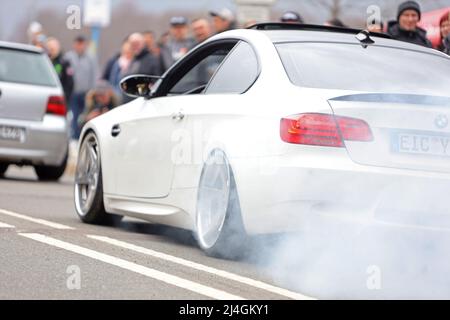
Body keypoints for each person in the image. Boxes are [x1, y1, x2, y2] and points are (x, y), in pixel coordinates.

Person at [64, 35, 98, 139]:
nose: (80, 46)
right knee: (74, 116)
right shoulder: (68, 57)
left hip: (86, 93)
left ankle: (84, 136)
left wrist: (92, 91)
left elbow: (94, 74)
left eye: (82, 44)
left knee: (85, 116)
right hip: (73, 92)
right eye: (78, 44)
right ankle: (74, 137)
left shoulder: (91, 57)